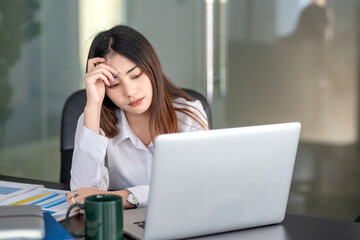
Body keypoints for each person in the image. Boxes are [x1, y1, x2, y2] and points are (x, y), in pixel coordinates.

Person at [66, 25, 208, 209]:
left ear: (152, 69)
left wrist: (123, 198)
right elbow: (81, 194)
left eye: (136, 75)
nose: (130, 92)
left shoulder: (189, 116)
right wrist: (93, 103)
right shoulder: (93, 119)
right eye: (114, 85)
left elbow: (194, 189)